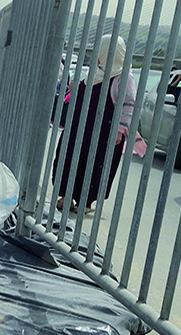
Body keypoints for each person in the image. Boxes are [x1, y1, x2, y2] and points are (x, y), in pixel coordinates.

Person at [52, 34, 136, 213]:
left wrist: (119, 131)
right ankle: (67, 197)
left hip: (103, 133)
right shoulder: (95, 72)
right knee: (70, 157)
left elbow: (128, 106)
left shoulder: (123, 78)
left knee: (95, 164)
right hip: (80, 128)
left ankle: (85, 202)